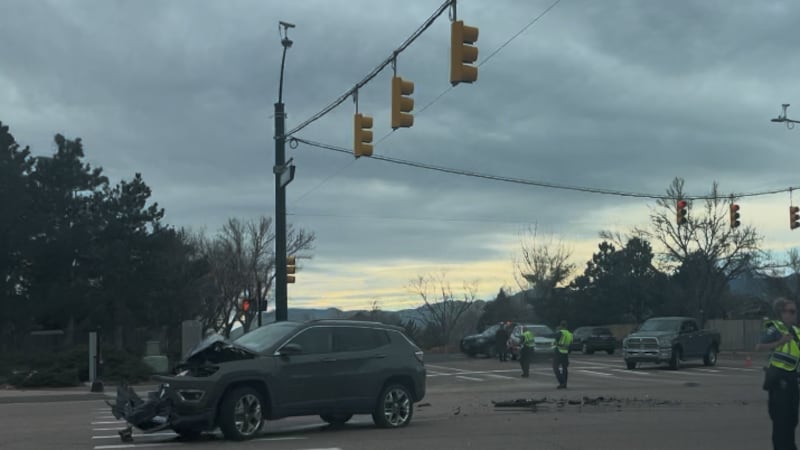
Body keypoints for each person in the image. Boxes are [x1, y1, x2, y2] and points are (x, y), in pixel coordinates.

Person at [756, 297, 800, 450]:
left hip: (793, 381)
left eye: (795, 312)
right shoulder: (775, 329)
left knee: (792, 420)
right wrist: (779, 342)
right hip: (778, 381)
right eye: (791, 311)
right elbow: (759, 346)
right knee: (781, 422)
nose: (794, 315)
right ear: (782, 313)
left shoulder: (796, 332)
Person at [553, 321, 573, 389]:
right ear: (566, 326)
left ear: (561, 326)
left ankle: (562, 381)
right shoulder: (570, 334)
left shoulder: (560, 333)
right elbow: (570, 343)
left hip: (559, 352)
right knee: (565, 368)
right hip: (565, 353)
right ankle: (565, 384)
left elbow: (555, 338)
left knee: (555, 367)